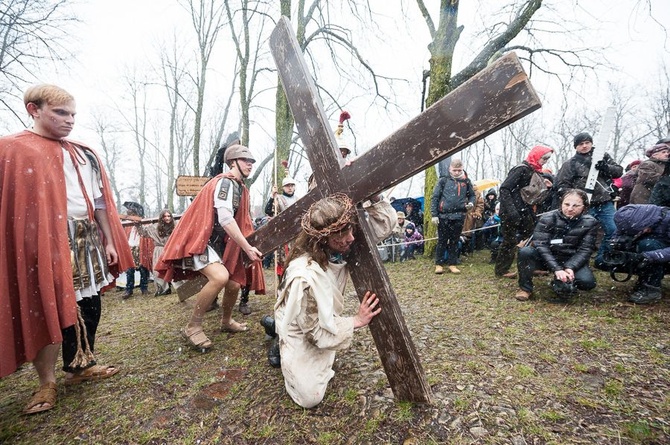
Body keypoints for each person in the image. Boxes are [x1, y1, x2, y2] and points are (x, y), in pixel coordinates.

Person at [0, 84, 133, 414]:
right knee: (43, 307)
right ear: (34, 109)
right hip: (40, 239)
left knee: (89, 302)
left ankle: (80, 365)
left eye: (73, 113)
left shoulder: (83, 152)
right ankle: (46, 382)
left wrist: (108, 240)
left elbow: (100, 201)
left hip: (84, 235)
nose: (70, 120)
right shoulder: (13, 150)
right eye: (60, 113)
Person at [268, 193, 394, 408]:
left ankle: (272, 327)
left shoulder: (341, 246)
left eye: (350, 230)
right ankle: (279, 336)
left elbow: (385, 226)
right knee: (310, 397)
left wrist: (374, 196)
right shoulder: (304, 276)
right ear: (322, 239)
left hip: (318, 319)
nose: (351, 238)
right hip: (301, 328)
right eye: (342, 235)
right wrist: (355, 321)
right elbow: (314, 332)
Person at [156, 144, 265, 351]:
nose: (250, 164)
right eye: (245, 161)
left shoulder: (241, 188)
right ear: (232, 162)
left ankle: (226, 321)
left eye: (251, 161)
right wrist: (247, 248)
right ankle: (193, 326)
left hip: (221, 244)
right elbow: (225, 219)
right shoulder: (225, 183)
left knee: (234, 282)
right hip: (203, 241)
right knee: (220, 277)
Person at [514, 189, 598, 302]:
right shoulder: (547, 219)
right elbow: (541, 246)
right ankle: (525, 288)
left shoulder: (590, 222)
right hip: (547, 257)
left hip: (571, 259)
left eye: (576, 205)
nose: (570, 209)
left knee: (587, 283)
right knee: (525, 252)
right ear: (561, 203)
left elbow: (585, 249)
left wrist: (571, 267)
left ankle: (561, 282)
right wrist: (556, 268)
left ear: (584, 207)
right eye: (566, 204)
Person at [554, 132, 623, 266]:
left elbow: (619, 171)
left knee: (613, 230)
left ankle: (602, 259)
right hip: (584, 205)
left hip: (604, 202)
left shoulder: (603, 156)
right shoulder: (570, 164)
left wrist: (605, 167)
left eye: (587, 143)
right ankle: (579, 261)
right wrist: (577, 198)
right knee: (581, 234)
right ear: (576, 147)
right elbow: (562, 186)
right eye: (581, 144)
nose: (585, 146)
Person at [495, 145, 554, 278]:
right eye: (543, 158)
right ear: (536, 156)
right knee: (509, 241)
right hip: (510, 211)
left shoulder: (535, 171)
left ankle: (531, 267)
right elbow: (504, 189)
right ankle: (501, 270)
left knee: (534, 236)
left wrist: (548, 187)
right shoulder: (521, 169)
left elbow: (533, 194)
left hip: (525, 209)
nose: (545, 161)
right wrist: (512, 211)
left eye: (547, 159)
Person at [611, 204, 670, 304]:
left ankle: (652, 288)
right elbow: (618, 234)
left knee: (648, 245)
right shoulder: (632, 217)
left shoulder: (666, 219)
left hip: (663, 254)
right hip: (657, 248)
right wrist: (616, 243)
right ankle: (644, 280)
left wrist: (651, 256)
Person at [430, 159, 475, 274]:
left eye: (459, 170)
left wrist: (471, 203)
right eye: (454, 170)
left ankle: (452, 263)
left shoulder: (466, 182)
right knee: (442, 241)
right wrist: (434, 214)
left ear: (462, 168)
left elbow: (472, 196)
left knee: (455, 241)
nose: (456, 172)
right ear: (450, 169)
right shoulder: (443, 180)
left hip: (459, 215)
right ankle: (439, 264)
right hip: (443, 216)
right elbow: (435, 197)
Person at [124, 209, 176, 296]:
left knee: (175, 268)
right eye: (165, 216)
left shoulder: (176, 226)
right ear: (161, 218)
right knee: (159, 270)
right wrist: (138, 225)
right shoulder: (155, 227)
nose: (167, 218)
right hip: (159, 250)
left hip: (172, 249)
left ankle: (180, 287)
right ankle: (163, 289)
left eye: (169, 216)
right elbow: (144, 233)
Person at [121, 204, 152, 298]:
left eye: (130, 211)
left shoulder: (144, 223)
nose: (128, 213)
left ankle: (144, 288)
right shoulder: (128, 224)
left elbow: (147, 237)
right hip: (131, 249)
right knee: (129, 270)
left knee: (143, 269)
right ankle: (129, 290)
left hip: (141, 248)